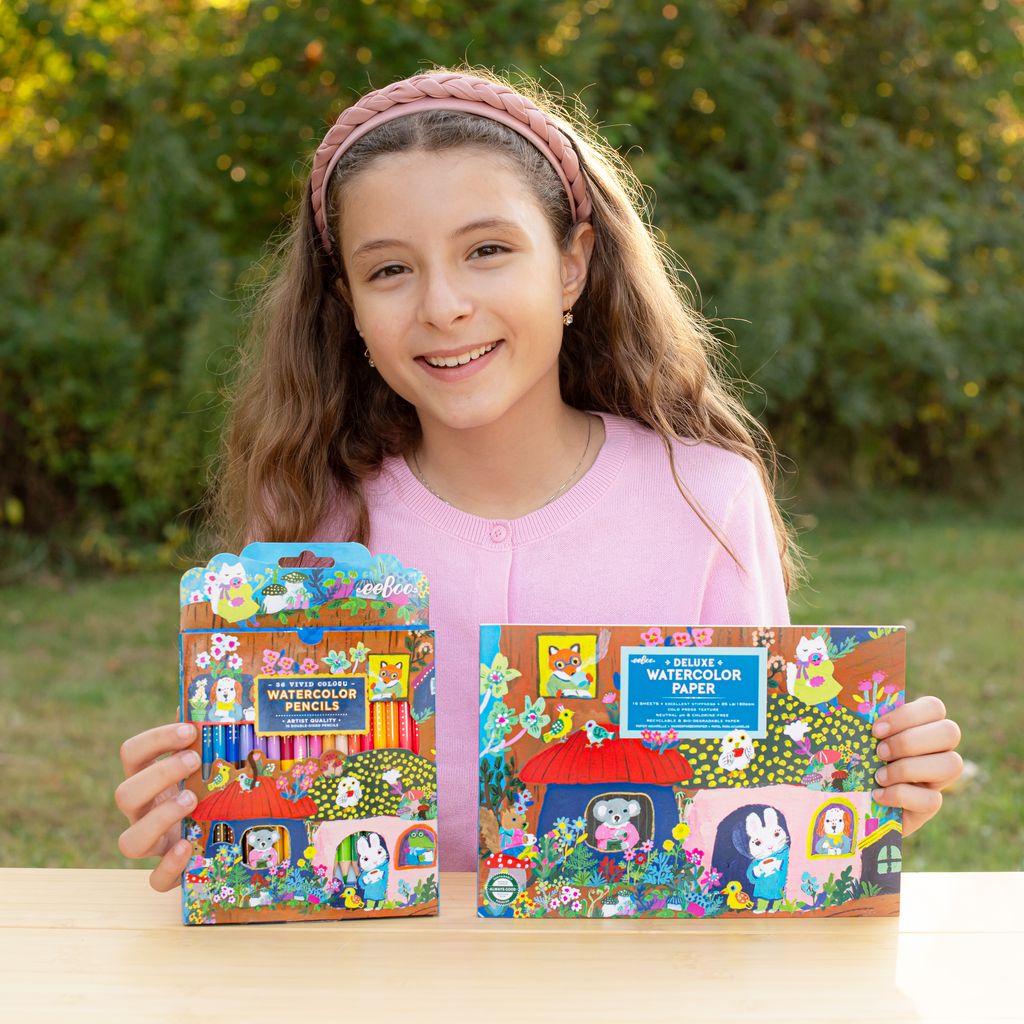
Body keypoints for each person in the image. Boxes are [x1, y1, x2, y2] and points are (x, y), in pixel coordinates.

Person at [115, 66, 962, 890]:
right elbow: (292, 814)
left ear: (571, 263)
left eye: (487, 249)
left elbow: (740, 779)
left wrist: (864, 785)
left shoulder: (707, 497)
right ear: (348, 306)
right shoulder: (309, 518)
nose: (443, 305)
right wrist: (202, 814)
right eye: (389, 270)